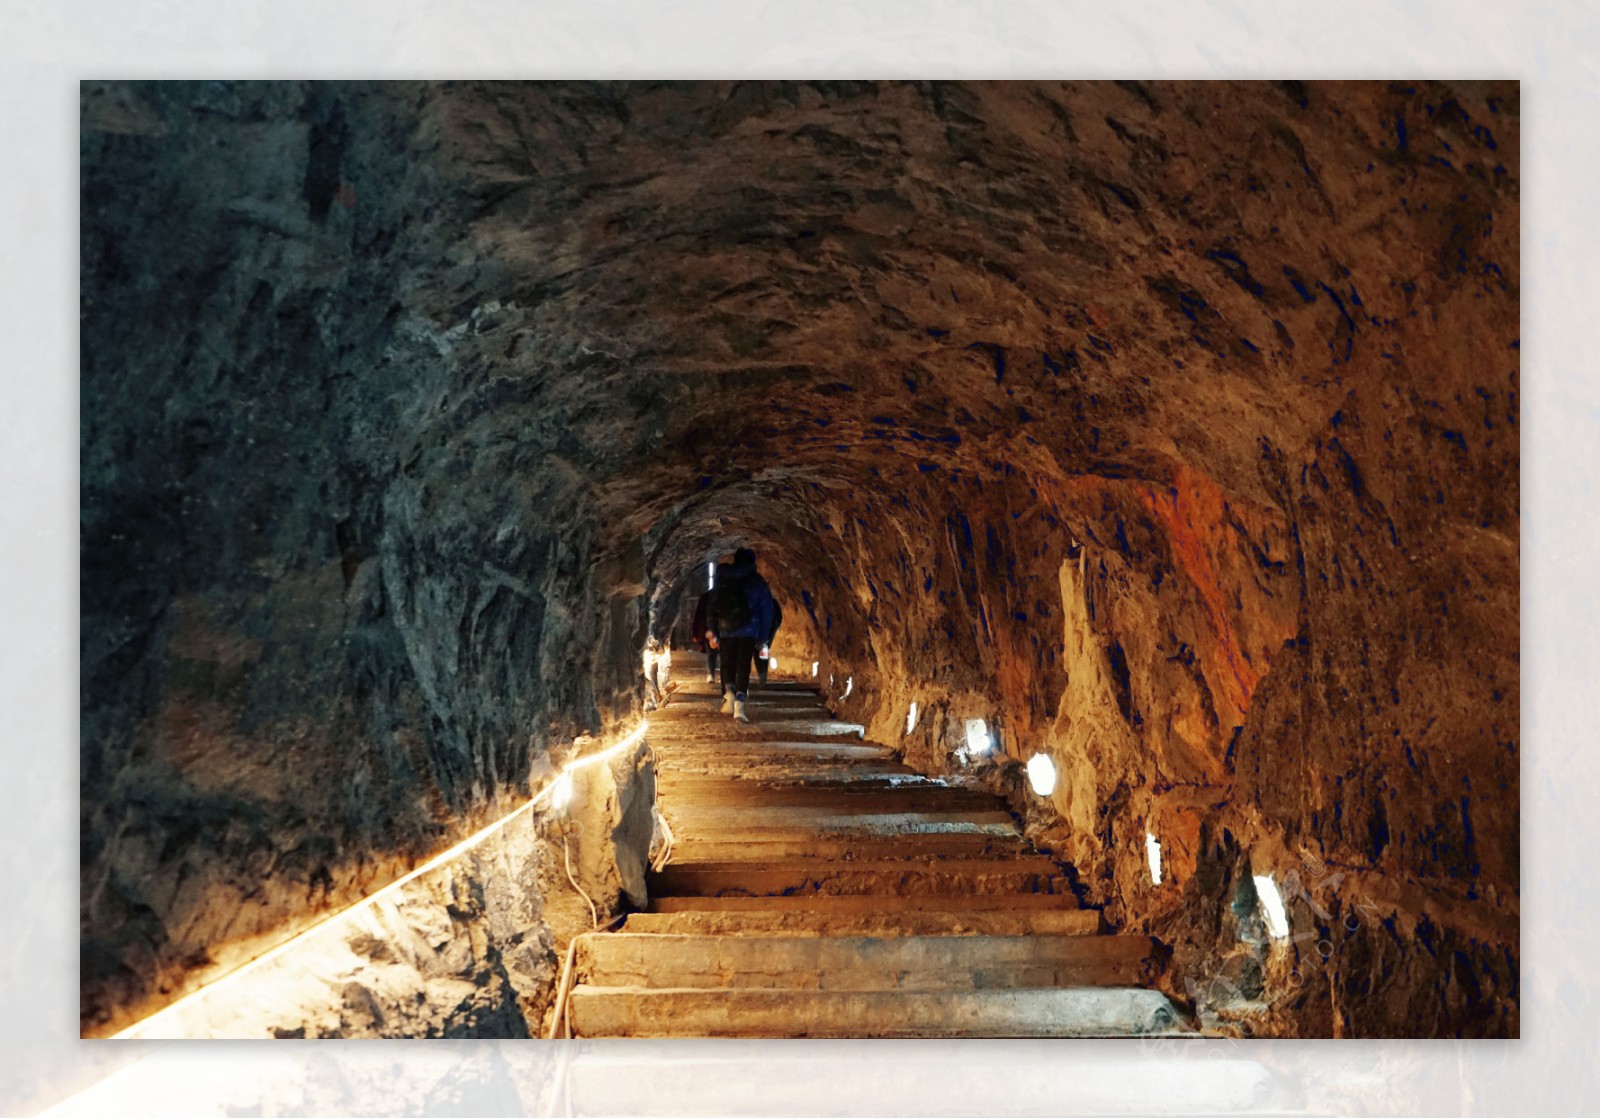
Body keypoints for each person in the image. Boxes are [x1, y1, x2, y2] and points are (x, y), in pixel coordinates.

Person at [708, 547, 776, 723]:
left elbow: (713, 606)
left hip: (726, 630)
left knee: (727, 664)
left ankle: (728, 695)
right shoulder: (757, 581)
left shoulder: (723, 578)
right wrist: (763, 638)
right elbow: (767, 610)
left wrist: (713, 631)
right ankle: (739, 704)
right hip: (749, 630)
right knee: (742, 666)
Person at [691, 585, 718, 683]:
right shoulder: (728, 594)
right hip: (724, 629)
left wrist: (696, 631)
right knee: (723, 654)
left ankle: (711, 674)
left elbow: (698, 615)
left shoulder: (706, 596)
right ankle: (725, 677)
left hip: (708, 629)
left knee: (711, 653)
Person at [755, 598, 783, 687]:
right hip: (770, 626)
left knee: (758, 650)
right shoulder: (772, 601)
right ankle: (763, 674)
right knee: (764, 649)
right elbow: (779, 616)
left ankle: (762, 674)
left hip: (762, 627)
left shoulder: (756, 600)